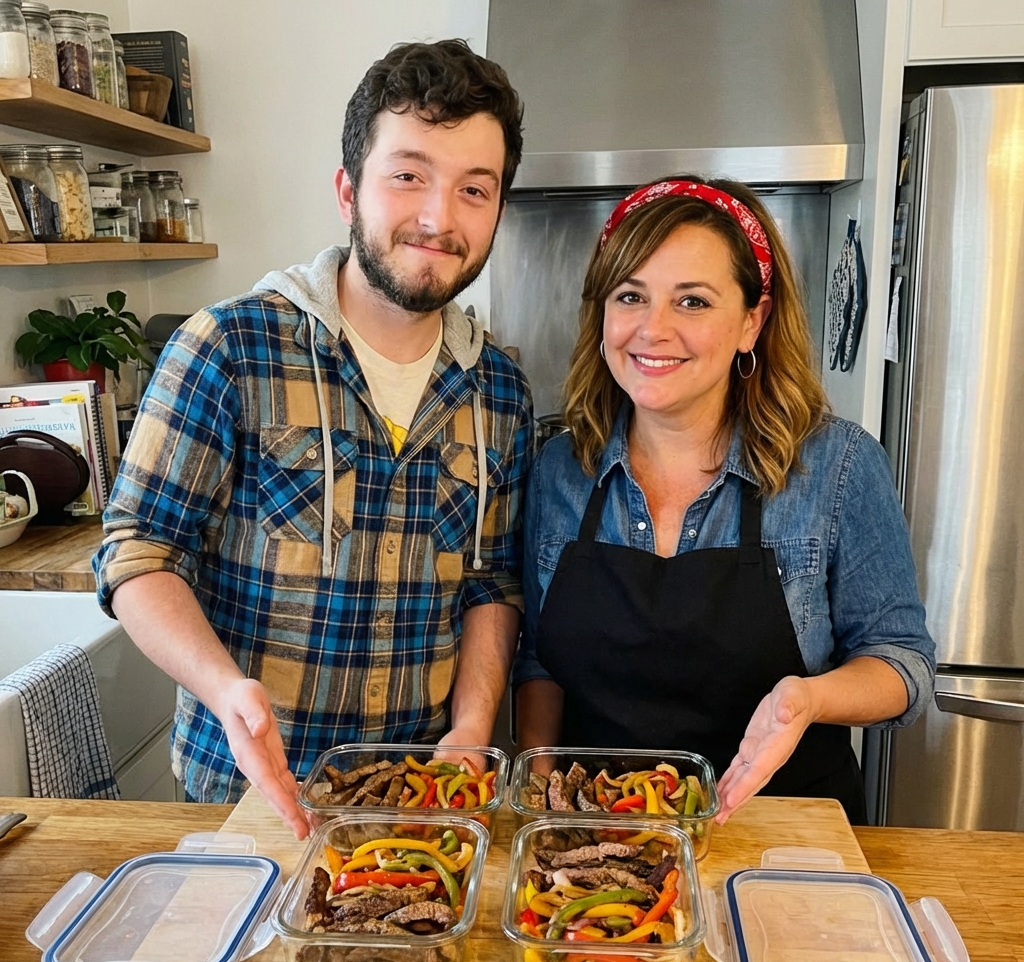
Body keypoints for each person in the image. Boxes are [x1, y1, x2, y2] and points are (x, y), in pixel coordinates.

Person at [94, 40, 531, 837]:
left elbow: (490, 584)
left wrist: (471, 729)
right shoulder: (228, 347)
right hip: (250, 796)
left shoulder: (499, 388)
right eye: (408, 175)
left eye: (475, 188)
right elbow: (136, 553)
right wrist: (225, 688)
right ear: (347, 189)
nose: (439, 217)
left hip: (418, 804)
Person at [513, 177, 935, 826]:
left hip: (784, 837)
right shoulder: (559, 470)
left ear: (751, 321)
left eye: (692, 301)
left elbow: (901, 663)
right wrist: (540, 775)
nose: (653, 330)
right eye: (631, 296)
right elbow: (541, 654)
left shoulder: (837, 467)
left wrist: (807, 699)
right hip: (597, 841)